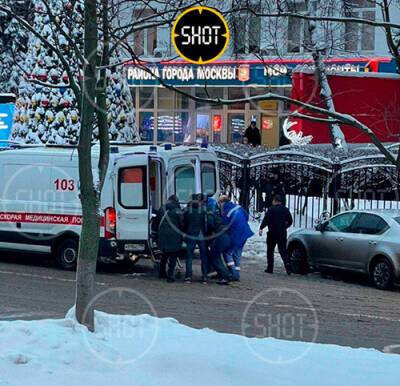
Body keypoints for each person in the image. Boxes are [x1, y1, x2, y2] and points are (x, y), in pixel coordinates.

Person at [218, 196, 254, 281]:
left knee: (227, 253)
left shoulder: (226, 212)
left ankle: (233, 273)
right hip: (245, 233)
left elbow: (225, 226)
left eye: (219, 203)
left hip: (235, 234)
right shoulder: (238, 207)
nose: (219, 205)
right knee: (237, 254)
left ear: (222, 202)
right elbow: (246, 216)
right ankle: (236, 273)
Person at [259, 194, 293, 275]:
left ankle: (270, 268)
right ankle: (287, 265)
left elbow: (266, 219)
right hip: (282, 233)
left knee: (270, 250)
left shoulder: (271, 209)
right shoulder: (285, 209)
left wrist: (261, 228)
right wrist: (285, 226)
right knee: (283, 250)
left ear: (274, 201)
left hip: (272, 233)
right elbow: (290, 221)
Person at [155, 195, 184, 283]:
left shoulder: (161, 209)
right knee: (173, 256)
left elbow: (156, 221)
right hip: (174, 236)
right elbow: (182, 223)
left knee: (164, 254)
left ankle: (161, 273)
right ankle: (170, 276)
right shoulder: (178, 211)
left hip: (162, 235)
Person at [184, 193, 209, 284]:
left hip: (190, 234)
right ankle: (205, 276)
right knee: (203, 256)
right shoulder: (203, 209)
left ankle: (188, 276)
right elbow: (206, 222)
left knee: (189, 256)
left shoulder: (187, 210)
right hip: (201, 234)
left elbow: (183, 222)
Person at [206, 204, 233, 285]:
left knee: (213, 257)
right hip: (226, 236)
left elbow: (210, 225)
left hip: (221, 237)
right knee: (217, 257)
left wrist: (208, 234)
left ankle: (226, 276)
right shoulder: (218, 216)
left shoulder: (210, 215)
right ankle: (221, 274)